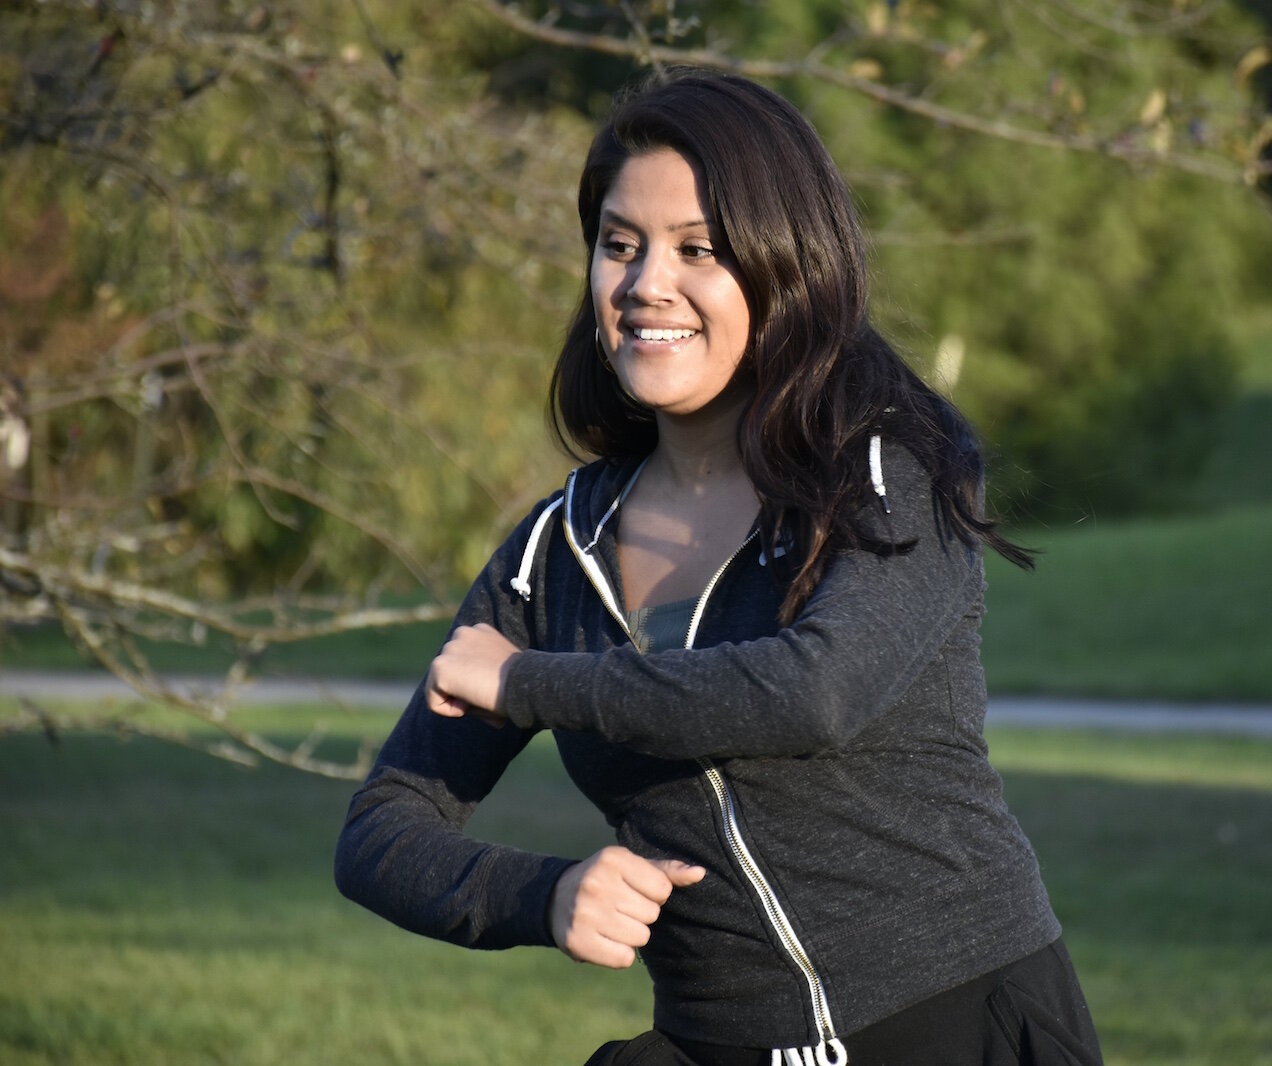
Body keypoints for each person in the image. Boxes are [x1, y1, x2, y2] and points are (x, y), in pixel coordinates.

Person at [334, 68, 1102, 1066]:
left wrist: (530, 684)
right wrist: (544, 892)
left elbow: (813, 690)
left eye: (698, 249)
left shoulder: (883, 467)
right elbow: (383, 828)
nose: (646, 282)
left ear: (787, 265)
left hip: (957, 1023)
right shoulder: (551, 553)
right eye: (619, 245)